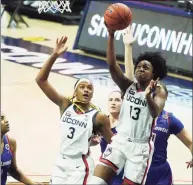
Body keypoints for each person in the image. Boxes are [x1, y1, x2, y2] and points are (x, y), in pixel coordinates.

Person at [89, 22, 168, 185]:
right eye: (138, 66)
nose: (140, 69)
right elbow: (112, 65)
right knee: (95, 182)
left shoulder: (159, 91)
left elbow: (155, 113)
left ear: (155, 73)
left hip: (140, 149)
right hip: (120, 141)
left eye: (145, 67)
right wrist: (111, 36)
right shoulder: (127, 86)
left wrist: (147, 97)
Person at [35, 36, 114, 185]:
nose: (86, 90)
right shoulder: (65, 104)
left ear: (92, 94)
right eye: (82, 87)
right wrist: (54, 55)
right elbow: (40, 80)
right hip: (61, 161)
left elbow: (114, 145)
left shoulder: (99, 117)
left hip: (80, 166)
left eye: (89, 88)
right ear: (74, 92)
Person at [123, 26, 193, 185]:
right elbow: (128, 77)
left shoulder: (168, 120)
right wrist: (128, 47)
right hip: (136, 170)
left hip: (160, 174)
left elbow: (190, 142)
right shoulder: (135, 113)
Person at [1, 112, 43, 185]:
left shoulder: (11, 142)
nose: (6, 120)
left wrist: (33, 184)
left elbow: (13, 170)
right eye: (1, 118)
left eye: (5, 117)